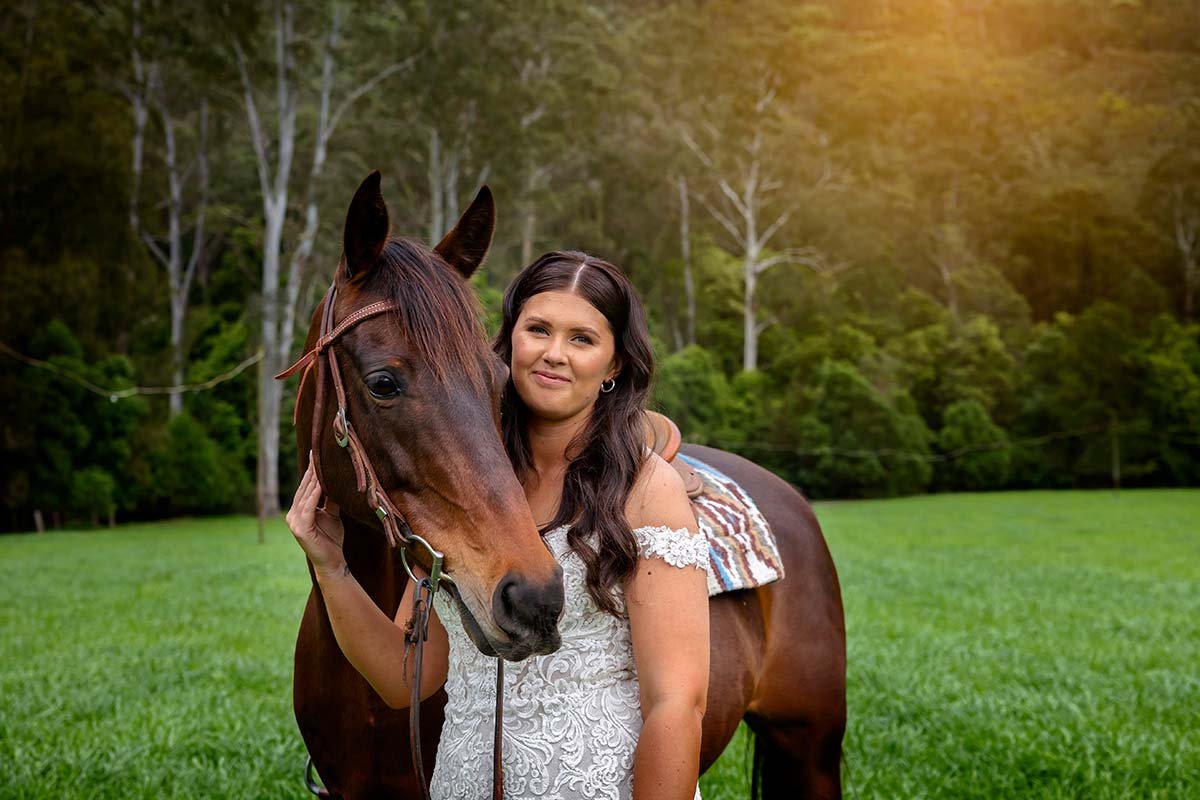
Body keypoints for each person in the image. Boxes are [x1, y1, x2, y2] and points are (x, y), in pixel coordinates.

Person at [286, 250, 710, 799]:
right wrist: (332, 567)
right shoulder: (466, 490)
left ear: (614, 366)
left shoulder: (645, 490)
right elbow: (403, 678)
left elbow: (677, 703)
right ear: (509, 340)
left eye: (582, 339)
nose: (554, 354)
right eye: (538, 329)